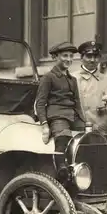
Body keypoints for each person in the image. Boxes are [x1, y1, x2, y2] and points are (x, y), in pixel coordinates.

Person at [35, 41, 85, 182]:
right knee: (63, 136)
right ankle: (61, 168)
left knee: (88, 137)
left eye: (70, 56)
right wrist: (45, 125)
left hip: (72, 116)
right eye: (64, 56)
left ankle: (82, 169)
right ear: (55, 57)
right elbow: (40, 103)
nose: (68, 59)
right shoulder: (48, 78)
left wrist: (83, 122)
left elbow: (77, 102)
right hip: (57, 115)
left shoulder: (73, 80)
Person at [74, 41, 107, 126]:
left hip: (101, 126)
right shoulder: (72, 78)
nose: (92, 60)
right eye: (89, 56)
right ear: (81, 58)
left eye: (96, 56)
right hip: (78, 127)